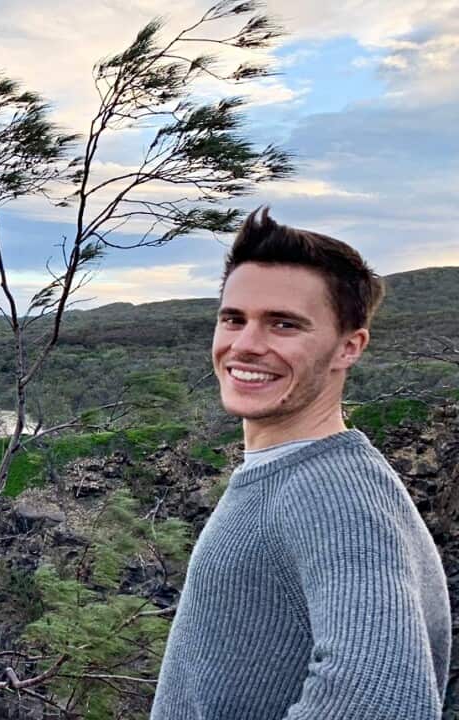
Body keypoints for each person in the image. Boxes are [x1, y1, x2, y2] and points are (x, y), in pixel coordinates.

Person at [150, 208, 451, 719]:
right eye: (233, 319)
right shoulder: (291, 473)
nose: (245, 345)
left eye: (283, 324)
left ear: (347, 348)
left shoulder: (337, 495)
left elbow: (380, 700)